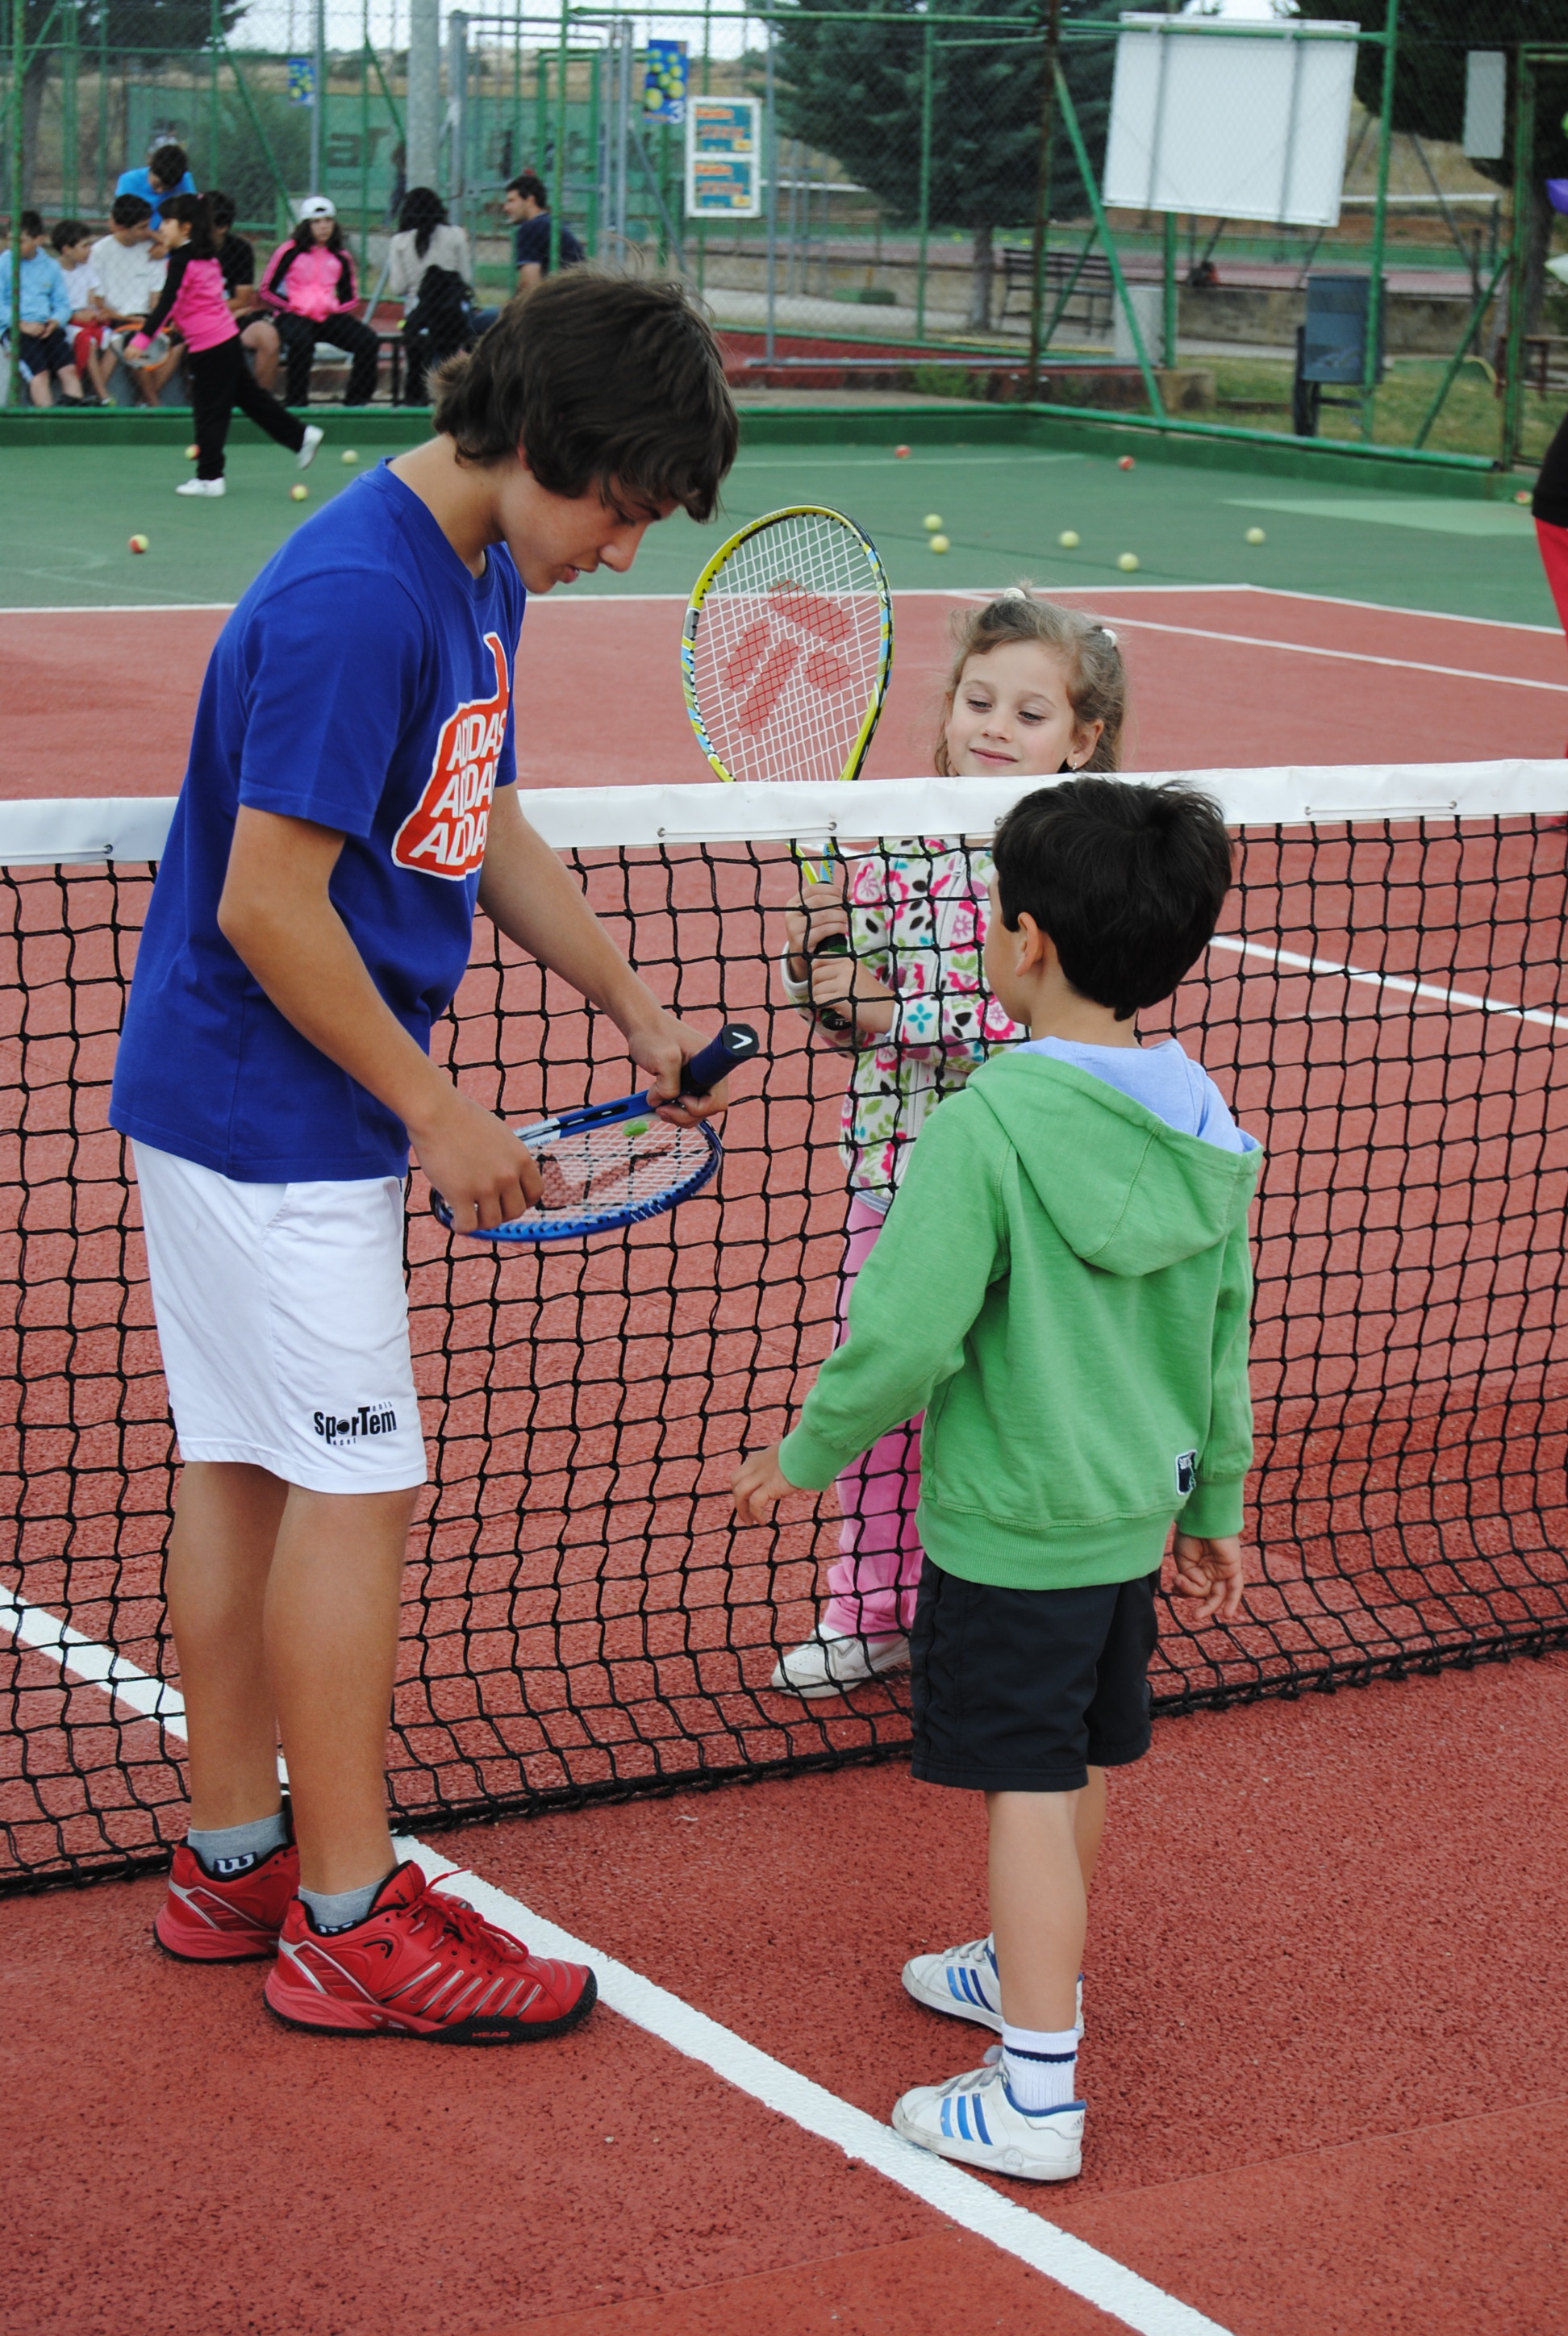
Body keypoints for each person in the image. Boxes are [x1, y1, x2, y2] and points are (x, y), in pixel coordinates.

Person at [111, 269, 740, 2040]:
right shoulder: (356, 596)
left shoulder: (476, 574)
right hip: (272, 1113)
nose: (623, 549)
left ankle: (236, 1858)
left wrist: (632, 1006)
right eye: (621, 508)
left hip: (252, 1103)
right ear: (538, 441)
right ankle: (342, 1915)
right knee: (359, 1487)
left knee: (245, 1469)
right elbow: (269, 904)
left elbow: (482, 815)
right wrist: (438, 1111)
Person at [734, 775, 1259, 2180]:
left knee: (1023, 1785)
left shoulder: (982, 1124)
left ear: (1023, 942)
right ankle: (1024, 1963)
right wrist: (1210, 1505)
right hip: (1129, 1515)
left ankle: (1035, 2093)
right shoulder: (1204, 1119)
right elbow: (1221, 1339)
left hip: (1012, 1526)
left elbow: (903, 1334)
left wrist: (804, 1453)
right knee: (1073, 1759)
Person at [769, 594, 1128, 1696]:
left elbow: (1042, 1019)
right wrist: (819, 970)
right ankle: (872, 1611)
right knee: (881, 1406)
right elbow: (848, 1017)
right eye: (979, 701)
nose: (995, 727)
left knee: (1011, 1413)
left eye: (1029, 712)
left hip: (1027, 1194)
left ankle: (1006, 1614)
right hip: (894, 1185)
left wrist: (889, 1010)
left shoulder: (1080, 863)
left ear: (1082, 740)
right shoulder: (892, 841)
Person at [129, 194, 321, 498]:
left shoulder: (181, 260)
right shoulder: (206, 256)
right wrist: (180, 331)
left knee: (209, 412)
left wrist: (140, 340)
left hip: (210, 349)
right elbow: (198, 303)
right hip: (225, 340)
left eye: (166, 221)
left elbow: (168, 303)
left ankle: (210, 477)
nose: (160, 227)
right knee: (252, 399)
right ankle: (301, 437)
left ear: (186, 227)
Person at [258, 197, 381, 407]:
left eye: (328, 221)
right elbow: (266, 289)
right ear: (306, 225)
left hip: (327, 317)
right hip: (293, 315)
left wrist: (331, 307)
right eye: (317, 222)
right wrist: (291, 306)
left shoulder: (341, 256)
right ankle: (297, 401)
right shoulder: (289, 251)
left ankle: (356, 402)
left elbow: (350, 297)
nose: (324, 227)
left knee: (368, 341)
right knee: (302, 343)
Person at [387, 186, 478, 405]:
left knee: (417, 364)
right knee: (447, 361)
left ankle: (414, 401)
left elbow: (398, 287)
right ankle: (446, 403)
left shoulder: (400, 241)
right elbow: (466, 278)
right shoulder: (456, 235)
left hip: (418, 314)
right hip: (450, 313)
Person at [89, 194, 179, 406]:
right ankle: (153, 404)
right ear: (122, 228)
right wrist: (129, 319)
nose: (148, 232)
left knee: (180, 342)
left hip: (146, 318)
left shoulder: (152, 251)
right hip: (117, 318)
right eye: (142, 227)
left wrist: (157, 320)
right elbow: (98, 303)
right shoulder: (100, 252)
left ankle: (143, 401)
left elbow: (156, 299)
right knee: (134, 338)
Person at [0, 211, 85, 407]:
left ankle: (76, 418)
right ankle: (48, 420)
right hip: (17, 329)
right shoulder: (3, 264)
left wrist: (56, 321)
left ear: (39, 239)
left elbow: (62, 305)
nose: (13, 245)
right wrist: (21, 325)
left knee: (68, 370)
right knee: (40, 375)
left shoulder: (50, 266)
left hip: (47, 328)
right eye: (10, 239)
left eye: (20, 241)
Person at [209, 190, 281, 393]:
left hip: (231, 316)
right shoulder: (186, 250)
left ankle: (261, 402)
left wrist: (223, 312)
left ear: (222, 227)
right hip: (199, 320)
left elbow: (242, 300)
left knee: (268, 337)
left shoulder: (239, 249)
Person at [502, 171, 585, 296]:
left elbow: (529, 284)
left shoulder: (531, 227)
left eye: (511, 201)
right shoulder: (548, 223)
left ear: (530, 201)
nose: (506, 208)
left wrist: (511, 305)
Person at [115, 140, 197, 228]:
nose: (160, 191)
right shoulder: (129, 181)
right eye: (157, 185)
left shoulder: (185, 180)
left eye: (167, 188)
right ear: (150, 166)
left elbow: (192, 214)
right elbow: (119, 222)